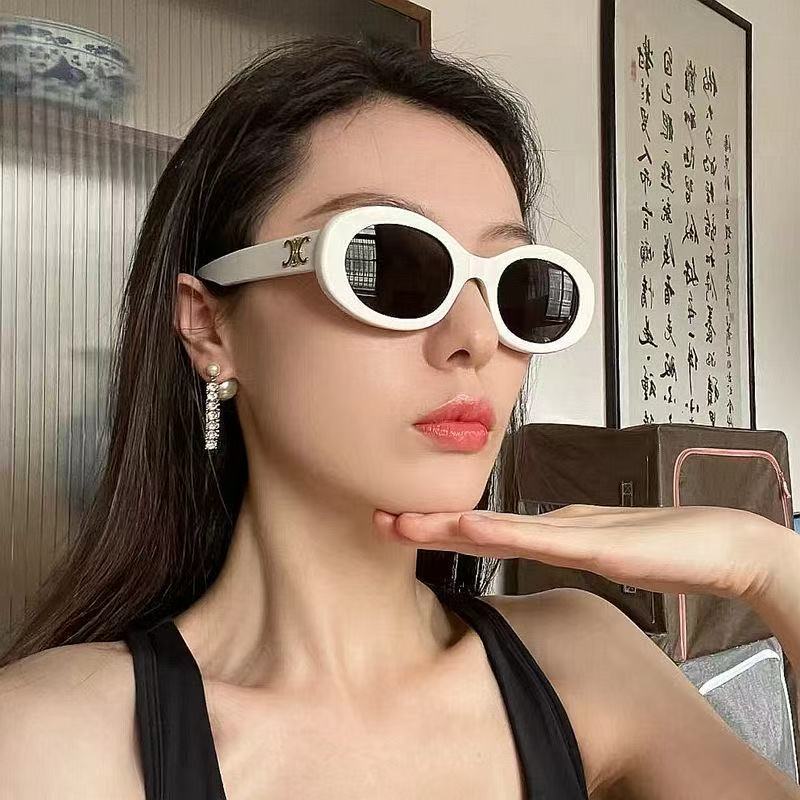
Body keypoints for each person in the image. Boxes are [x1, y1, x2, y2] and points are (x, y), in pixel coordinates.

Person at [0, 32, 798, 799]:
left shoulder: (583, 662)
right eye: (387, 263)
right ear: (210, 326)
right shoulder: (51, 742)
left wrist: (767, 563)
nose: (477, 336)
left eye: (518, 286)